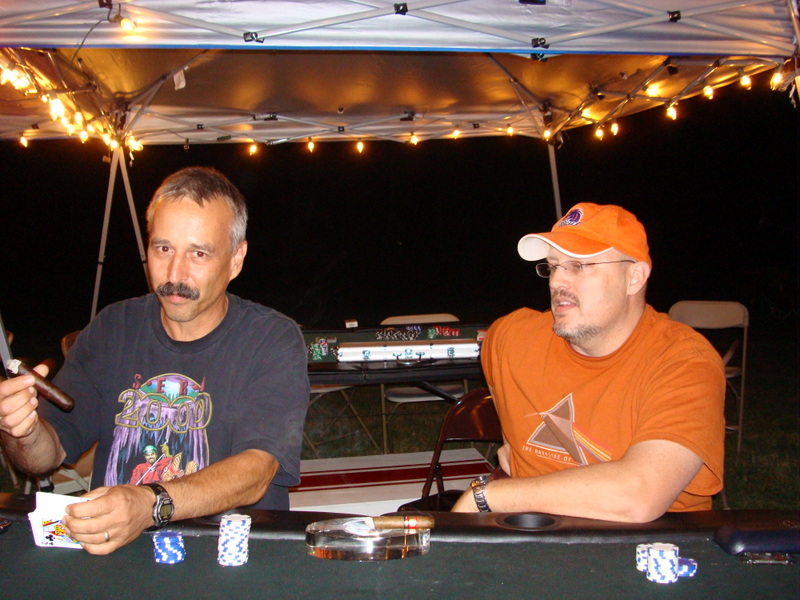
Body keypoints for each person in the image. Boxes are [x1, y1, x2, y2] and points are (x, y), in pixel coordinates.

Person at [0, 166, 309, 554]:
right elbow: (49, 455)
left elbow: (256, 471)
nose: (175, 273)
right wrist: (23, 430)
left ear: (236, 259)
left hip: (231, 566)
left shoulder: (271, 339)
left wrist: (149, 504)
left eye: (199, 253)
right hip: (115, 557)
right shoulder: (113, 326)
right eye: (163, 249)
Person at [453, 203, 725, 521]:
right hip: (531, 535)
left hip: (646, 544)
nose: (557, 283)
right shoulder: (509, 339)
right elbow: (512, 439)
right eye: (553, 266)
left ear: (634, 277)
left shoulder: (683, 363)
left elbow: (638, 496)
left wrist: (488, 496)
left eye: (579, 266)